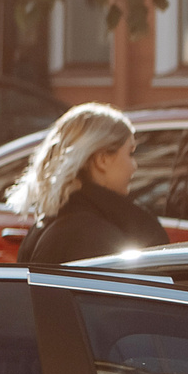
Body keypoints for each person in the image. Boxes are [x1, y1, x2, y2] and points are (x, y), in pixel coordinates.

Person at [10, 102, 169, 264]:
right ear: (102, 159)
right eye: (130, 153)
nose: (134, 166)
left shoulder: (51, 223)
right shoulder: (92, 235)